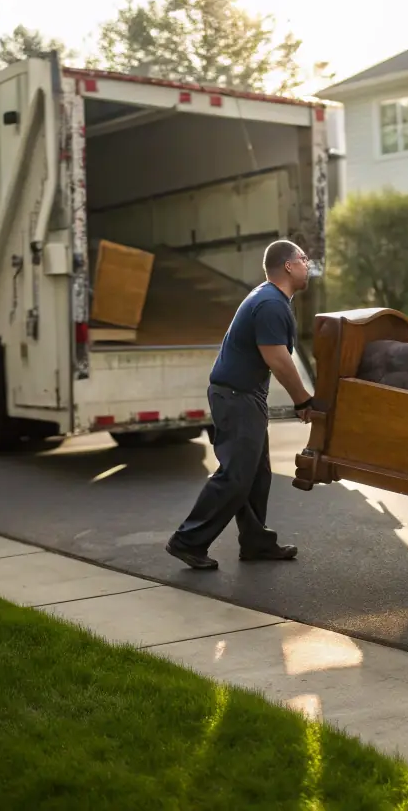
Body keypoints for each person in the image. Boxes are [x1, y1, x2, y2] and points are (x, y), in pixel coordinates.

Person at [165, 239, 315, 571]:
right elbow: (277, 358)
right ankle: (187, 540)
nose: (309, 265)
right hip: (236, 398)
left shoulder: (270, 298)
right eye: (304, 259)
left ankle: (256, 541)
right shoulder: (271, 304)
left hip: (243, 397)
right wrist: (303, 400)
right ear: (288, 266)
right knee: (235, 475)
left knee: (256, 475)